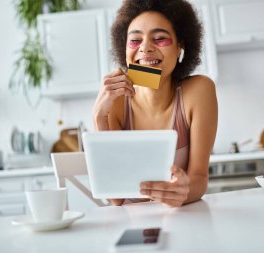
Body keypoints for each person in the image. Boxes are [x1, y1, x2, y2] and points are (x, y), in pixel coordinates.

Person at [93, 0, 218, 207]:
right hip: (131, 223)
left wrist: (183, 192)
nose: (145, 48)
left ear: (180, 47)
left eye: (159, 38)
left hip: (181, 219)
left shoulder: (198, 91)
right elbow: (115, 198)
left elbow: (199, 178)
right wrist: (100, 117)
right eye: (135, 40)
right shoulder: (113, 103)